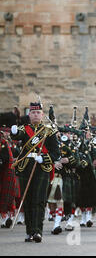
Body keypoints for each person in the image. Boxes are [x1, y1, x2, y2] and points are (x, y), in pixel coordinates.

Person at [10, 101, 60, 242]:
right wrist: (13, 131)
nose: (36, 115)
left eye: (38, 112)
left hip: (41, 168)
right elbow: (17, 135)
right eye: (33, 112)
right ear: (29, 114)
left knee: (39, 200)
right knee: (28, 200)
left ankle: (37, 231)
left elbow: (56, 154)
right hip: (26, 167)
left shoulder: (49, 131)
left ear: (42, 115)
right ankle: (29, 231)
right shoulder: (25, 129)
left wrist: (43, 158)